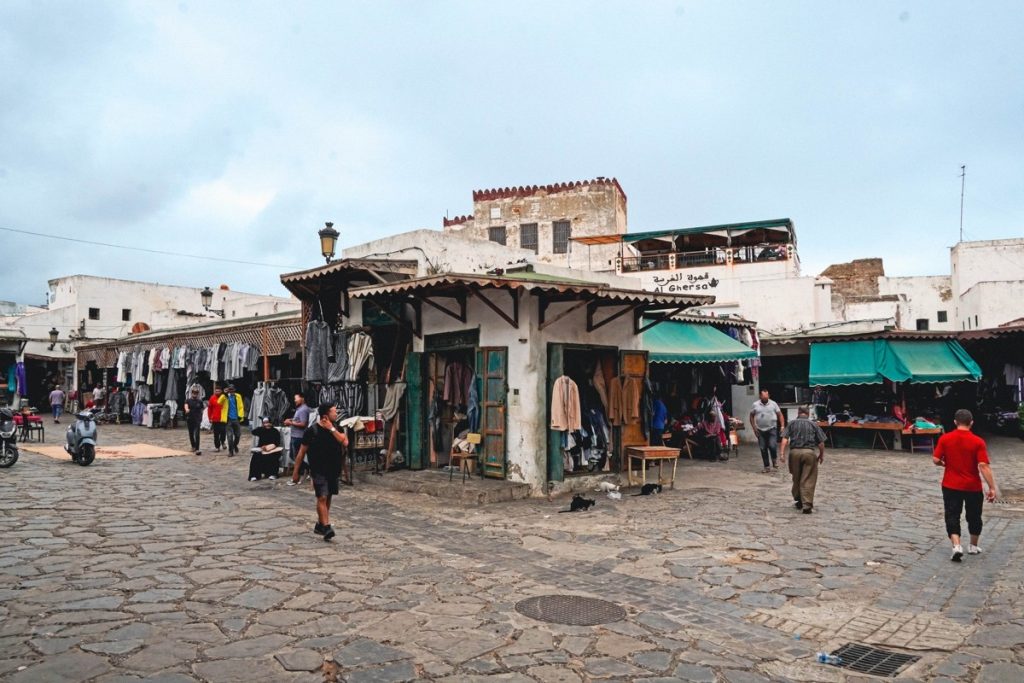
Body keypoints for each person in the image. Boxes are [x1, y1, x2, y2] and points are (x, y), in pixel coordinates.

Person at [933, 409, 1000, 562]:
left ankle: (956, 546)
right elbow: (983, 465)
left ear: (955, 422)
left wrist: (945, 464)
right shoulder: (978, 441)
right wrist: (991, 487)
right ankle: (973, 546)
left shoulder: (945, 439)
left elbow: (935, 459)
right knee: (974, 516)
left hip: (950, 484)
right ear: (971, 423)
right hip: (972, 486)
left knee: (952, 515)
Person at [290, 401, 348, 542]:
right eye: (334, 411)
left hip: (333, 468)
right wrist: (295, 472)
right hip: (318, 469)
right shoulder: (312, 431)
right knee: (321, 496)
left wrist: (331, 429)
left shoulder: (337, 427)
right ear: (325, 415)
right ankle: (327, 527)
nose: (336, 413)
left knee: (328, 497)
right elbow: (301, 452)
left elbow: (345, 442)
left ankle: (320, 524)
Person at [779, 405, 827, 514]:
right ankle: (807, 504)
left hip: (794, 453)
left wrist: (782, 453)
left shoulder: (792, 423)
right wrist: (821, 455)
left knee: (796, 477)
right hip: (809, 453)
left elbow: (785, 439)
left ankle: (799, 500)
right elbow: (821, 442)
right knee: (808, 478)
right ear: (808, 413)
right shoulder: (813, 424)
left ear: (798, 412)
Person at [750, 389, 784, 473]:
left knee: (772, 445)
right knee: (763, 448)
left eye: (767, 396)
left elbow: (780, 415)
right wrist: (754, 428)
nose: (765, 398)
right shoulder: (755, 404)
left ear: (769, 396)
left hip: (772, 428)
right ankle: (766, 466)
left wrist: (782, 426)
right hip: (760, 430)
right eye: (763, 396)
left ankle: (774, 459)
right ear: (760, 396)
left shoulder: (773, 404)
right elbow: (751, 416)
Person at [283, 392, 311, 479]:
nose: (295, 400)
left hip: (299, 436)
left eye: (296, 398)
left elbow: (303, 424)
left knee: (298, 457)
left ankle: (305, 470)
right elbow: (298, 420)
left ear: (302, 398)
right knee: (296, 456)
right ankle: (304, 470)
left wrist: (290, 422)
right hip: (296, 435)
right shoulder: (300, 409)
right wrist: (291, 420)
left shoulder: (303, 409)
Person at [249, 417, 282, 481]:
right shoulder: (262, 430)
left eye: (268, 423)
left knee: (273, 456)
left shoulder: (275, 431)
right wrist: (262, 427)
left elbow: (277, 443)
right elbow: (253, 432)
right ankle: (254, 475)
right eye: (265, 423)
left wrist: (268, 447)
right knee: (256, 456)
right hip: (262, 449)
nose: (267, 424)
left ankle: (273, 474)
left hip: (272, 449)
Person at [218, 385, 246, 456]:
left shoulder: (238, 396)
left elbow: (241, 407)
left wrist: (241, 416)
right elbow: (219, 402)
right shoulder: (225, 397)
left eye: (232, 389)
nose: (231, 391)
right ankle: (231, 451)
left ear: (235, 390)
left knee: (238, 435)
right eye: (230, 390)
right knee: (229, 436)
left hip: (236, 418)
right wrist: (224, 394)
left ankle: (234, 445)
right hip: (228, 419)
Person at [183, 388, 205, 455]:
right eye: (193, 393)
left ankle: (197, 448)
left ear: (197, 394)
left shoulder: (199, 401)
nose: (194, 394)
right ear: (191, 393)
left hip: (197, 419)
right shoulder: (188, 400)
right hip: (190, 418)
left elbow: (202, 409)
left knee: (197, 434)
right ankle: (193, 446)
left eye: (196, 393)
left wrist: (201, 417)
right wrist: (187, 410)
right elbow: (186, 406)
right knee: (191, 433)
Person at [208, 386, 226, 452]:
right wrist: (209, 417)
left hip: (223, 418)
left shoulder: (224, 397)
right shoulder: (212, 398)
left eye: (219, 391)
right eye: (216, 391)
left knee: (223, 432)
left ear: (221, 391)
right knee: (216, 434)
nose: (217, 392)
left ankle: (223, 441)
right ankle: (217, 446)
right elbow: (209, 409)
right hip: (215, 419)